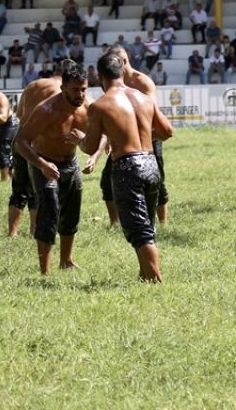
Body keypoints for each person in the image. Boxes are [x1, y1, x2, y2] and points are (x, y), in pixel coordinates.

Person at [79, 54, 173, 281]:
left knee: (138, 229)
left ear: (99, 77)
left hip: (127, 166)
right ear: (122, 73)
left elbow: (90, 145)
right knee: (147, 224)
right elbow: (167, 131)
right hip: (151, 163)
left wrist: (77, 139)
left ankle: (154, 279)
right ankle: (144, 275)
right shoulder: (143, 98)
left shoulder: (100, 105)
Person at [14, 62, 104, 276]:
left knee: (71, 213)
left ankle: (66, 260)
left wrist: (94, 156)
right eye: (75, 89)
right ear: (63, 87)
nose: (80, 94)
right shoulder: (47, 109)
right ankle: (44, 270)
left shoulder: (88, 107)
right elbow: (21, 141)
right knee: (49, 211)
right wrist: (42, 165)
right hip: (44, 162)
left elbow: (104, 136)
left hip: (70, 163)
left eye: (84, 89)